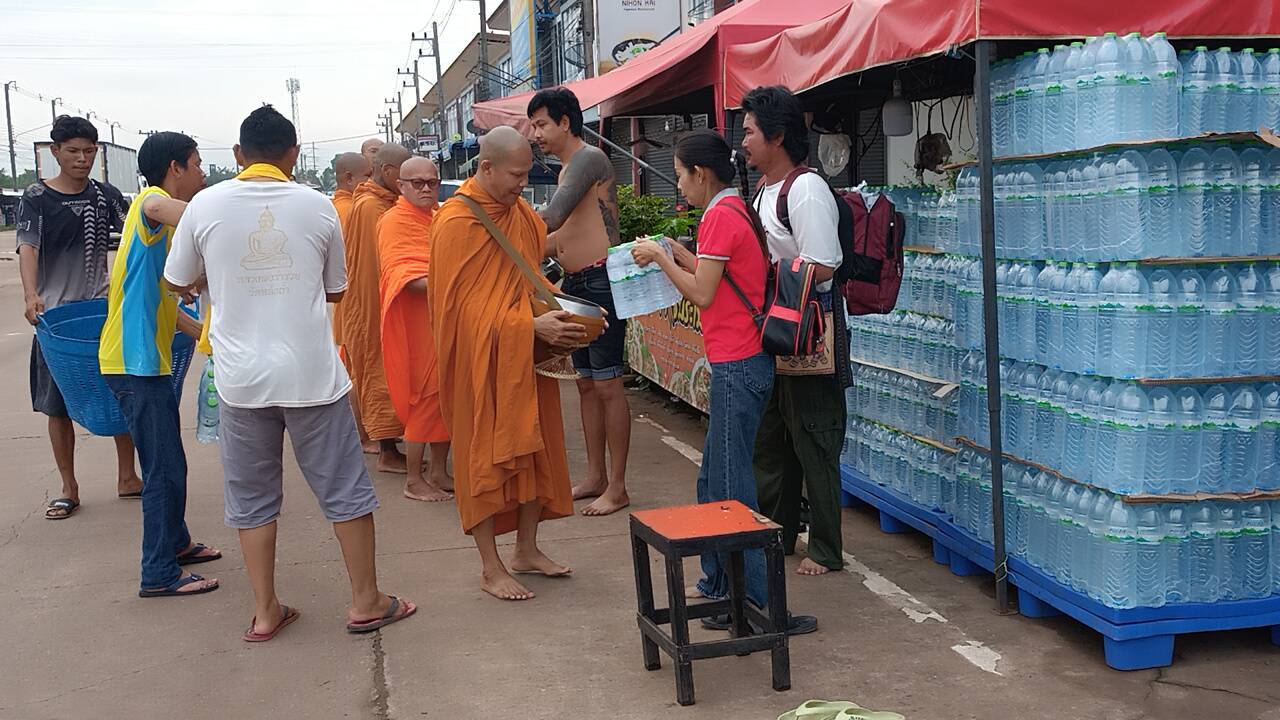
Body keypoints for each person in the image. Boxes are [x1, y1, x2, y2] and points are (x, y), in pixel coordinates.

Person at [164, 105, 415, 641]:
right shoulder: (317, 205)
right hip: (310, 377)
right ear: (294, 155)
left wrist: (221, 277)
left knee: (252, 500)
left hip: (241, 380)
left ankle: (265, 610)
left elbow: (175, 280)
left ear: (237, 155)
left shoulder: (205, 205)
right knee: (345, 489)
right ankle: (367, 599)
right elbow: (336, 290)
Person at [631, 129, 817, 635]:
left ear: (702, 174)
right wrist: (676, 250)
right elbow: (719, 276)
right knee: (713, 480)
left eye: (680, 175)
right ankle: (719, 585)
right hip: (740, 361)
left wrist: (663, 259)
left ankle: (755, 604)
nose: (678, 186)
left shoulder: (718, 216)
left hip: (738, 364)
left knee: (733, 495)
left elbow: (703, 293)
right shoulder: (735, 211)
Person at [429, 126, 578, 601]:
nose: (522, 183)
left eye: (526, 174)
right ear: (485, 167)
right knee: (484, 462)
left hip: (524, 359)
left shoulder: (523, 218)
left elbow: (527, 281)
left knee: (535, 450)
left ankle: (527, 550)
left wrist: (559, 312)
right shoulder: (456, 223)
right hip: (479, 363)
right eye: (515, 175)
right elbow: (458, 310)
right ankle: (491, 566)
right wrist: (527, 327)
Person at [98, 131, 223, 597]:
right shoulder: (151, 202)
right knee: (163, 470)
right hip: (134, 366)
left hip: (142, 361)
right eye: (196, 163)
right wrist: (228, 213)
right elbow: (160, 209)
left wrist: (211, 339)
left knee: (170, 461)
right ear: (175, 169)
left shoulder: (166, 237)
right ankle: (158, 573)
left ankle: (177, 542)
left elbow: (171, 309)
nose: (202, 173)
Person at [16, 115, 143, 520]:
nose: (82, 159)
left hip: (103, 313)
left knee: (121, 393)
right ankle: (69, 486)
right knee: (56, 406)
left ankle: (128, 477)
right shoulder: (37, 197)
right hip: (57, 320)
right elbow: (27, 248)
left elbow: (135, 237)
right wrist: (31, 293)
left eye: (89, 151)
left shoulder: (105, 196)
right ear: (55, 152)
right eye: (73, 151)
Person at [742, 86, 845, 577]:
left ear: (777, 136)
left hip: (810, 334)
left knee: (814, 436)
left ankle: (825, 547)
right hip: (776, 332)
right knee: (773, 438)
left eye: (749, 131)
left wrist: (771, 277)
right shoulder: (763, 191)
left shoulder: (804, 189)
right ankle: (777, 534)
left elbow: (823, 264)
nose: (742, 141)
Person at [527, 87, 631, 517]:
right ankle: (595, 476)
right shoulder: (569, 166)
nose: (535, 135)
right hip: (577, 284)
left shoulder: (587, 159)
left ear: (565, 123)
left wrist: (502, 223)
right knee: (586, 385)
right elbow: (558, 238)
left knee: (607, 386)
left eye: (541, 124)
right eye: (532, 126)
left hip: (601, 281)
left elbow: (551, 218)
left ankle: (619, 485)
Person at [378, 156, 453, 503]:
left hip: (446, 318)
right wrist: (453, 282)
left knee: (447, 396)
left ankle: (438, 470)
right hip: (416, 324)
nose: (426, 189)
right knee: (424, 397)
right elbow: (403, 274)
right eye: (417, 183)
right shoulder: (394, 221)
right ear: (401, 186)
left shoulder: (440, 217)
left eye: (432, 182)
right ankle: (413, 478)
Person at [337, 143, 413, 474]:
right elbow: (378, 262)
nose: (414, 184)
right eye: (408, 175)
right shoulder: (370, 207)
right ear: (387, 172)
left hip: (379, 300)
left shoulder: (382, 202)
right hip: (372, 303)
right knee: (378, 371)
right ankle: (387, 450)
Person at [330, 151, 375, 453]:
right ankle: (365, 434)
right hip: (354, 301)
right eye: (367, 177)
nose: (371, 183)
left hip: (347, 302)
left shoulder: (337, 208)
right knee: (358, 370)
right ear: (349, 179)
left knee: (356, 368)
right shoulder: (349, 210)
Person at [331, 152, 371, 228]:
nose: (371, 181)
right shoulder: (351, 211)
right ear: (349, 178)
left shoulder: (332, 207)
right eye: (368, 176)